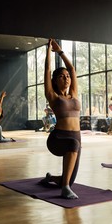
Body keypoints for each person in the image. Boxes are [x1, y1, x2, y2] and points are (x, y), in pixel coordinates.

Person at [39, 39, 81, 199]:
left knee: (70, 179)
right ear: (55, 81)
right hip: (58, 138)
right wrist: (49, 51)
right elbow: (48, 69)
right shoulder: (53, 96)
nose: (67, 78)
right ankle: (64, 189)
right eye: (62, 77)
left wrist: (61, 51)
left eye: (68, 77)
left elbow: (71, 68)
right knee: (73, 145)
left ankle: (52, 179)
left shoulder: (74, 94)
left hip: (76, 137)